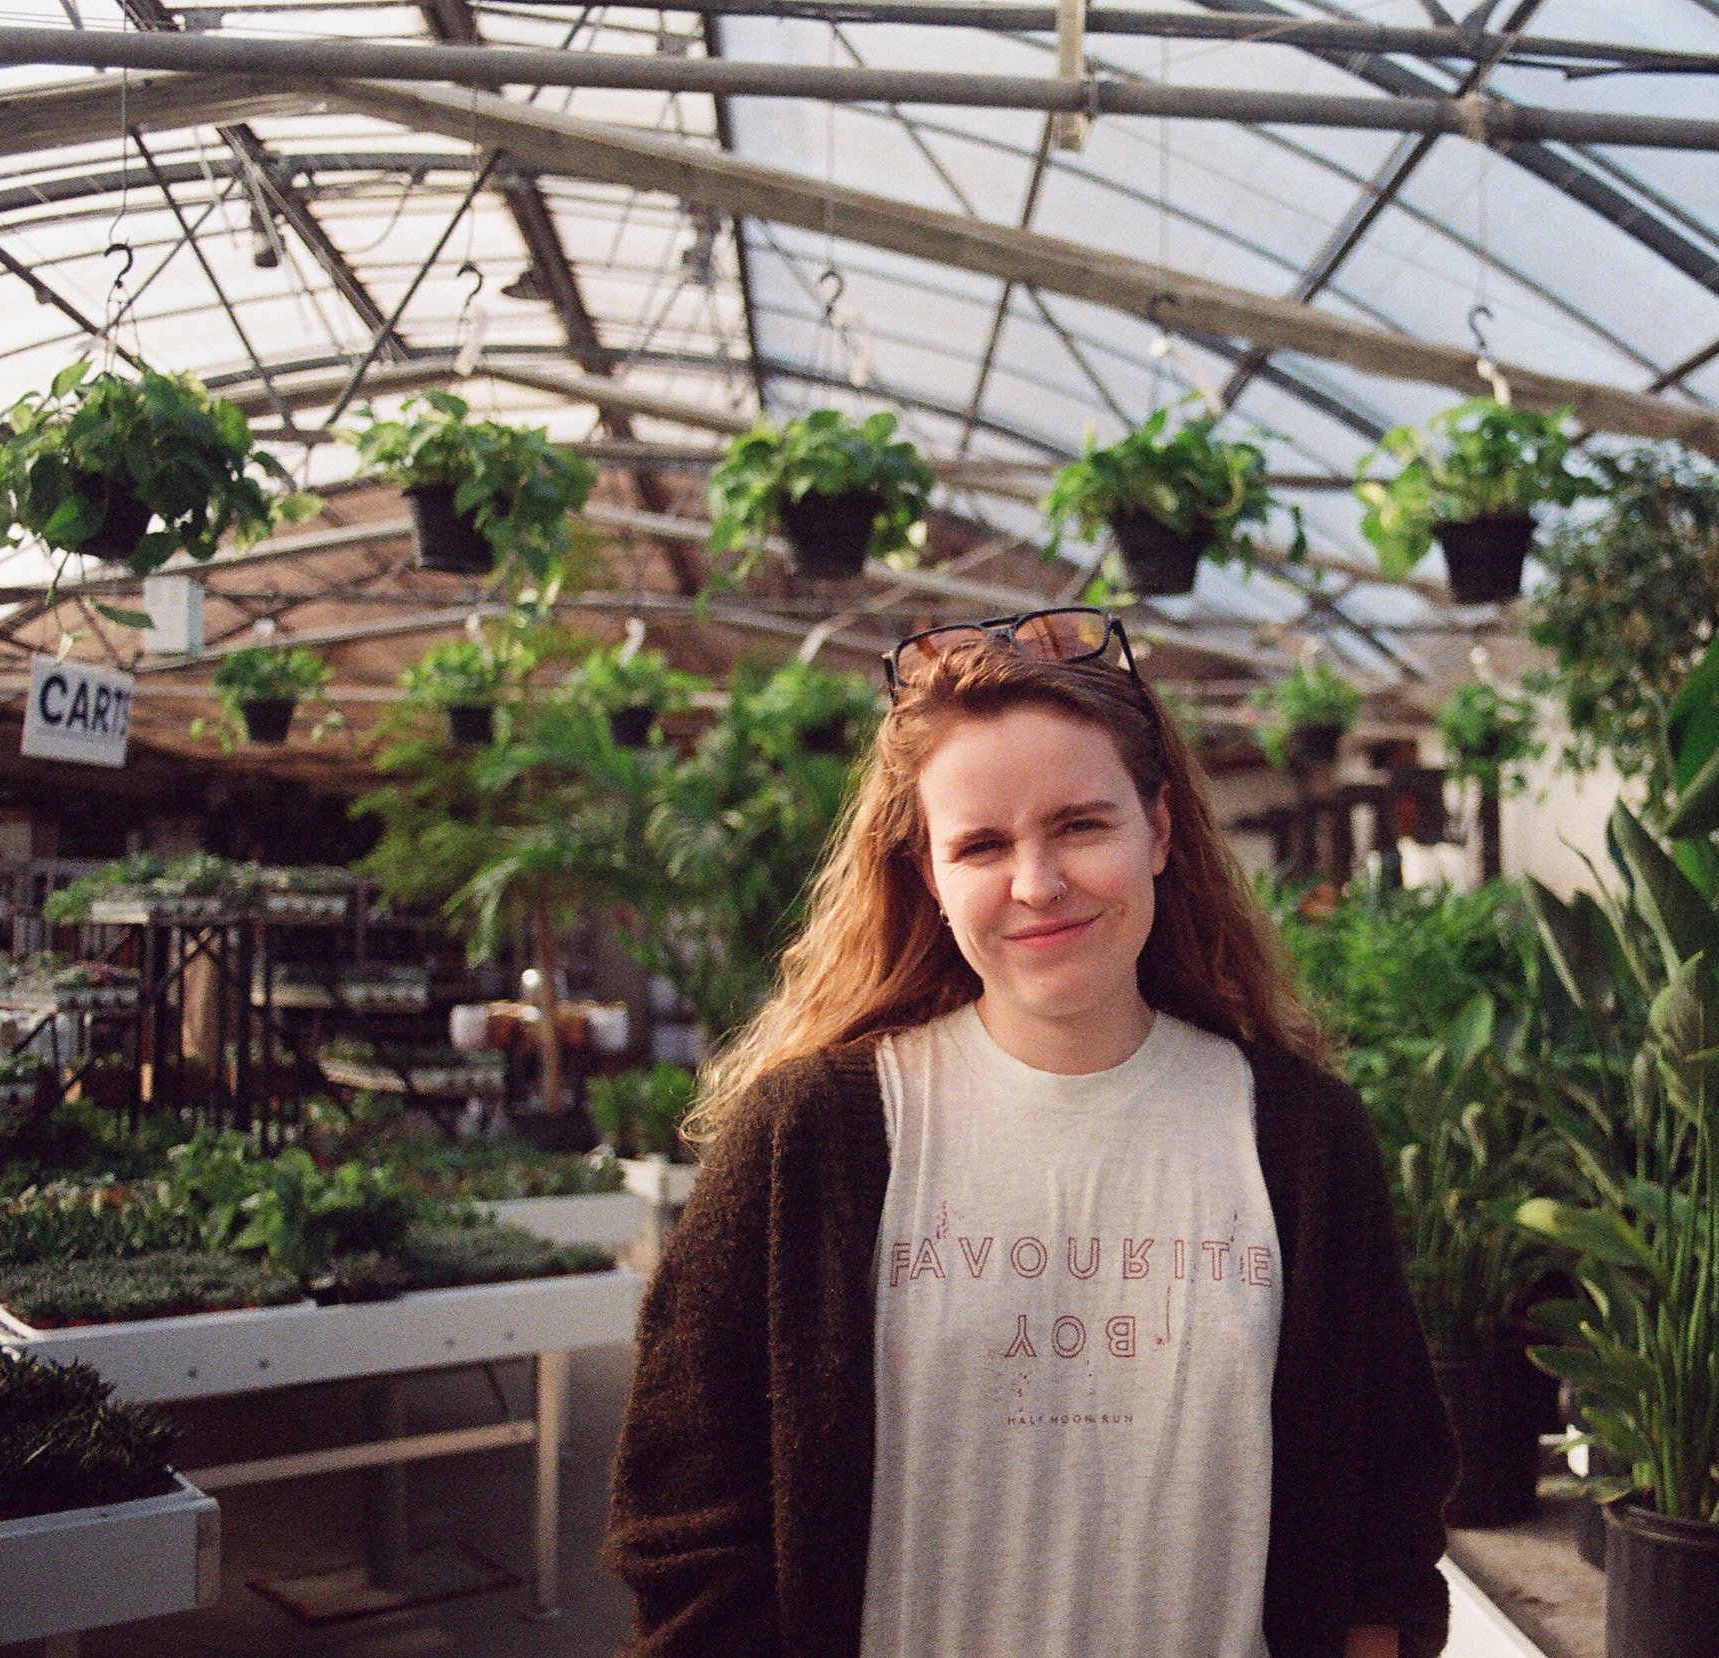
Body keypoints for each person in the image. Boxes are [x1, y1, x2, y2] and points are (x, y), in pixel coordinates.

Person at [605, 608, 1456, 1658]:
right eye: (982, 844)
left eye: (1081, 825)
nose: (1037, 884)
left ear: (1159, 830)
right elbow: (686, 1525)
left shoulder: (1301, 1136)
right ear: (931, 875)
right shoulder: (808, 1137)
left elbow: (1385, 1506)